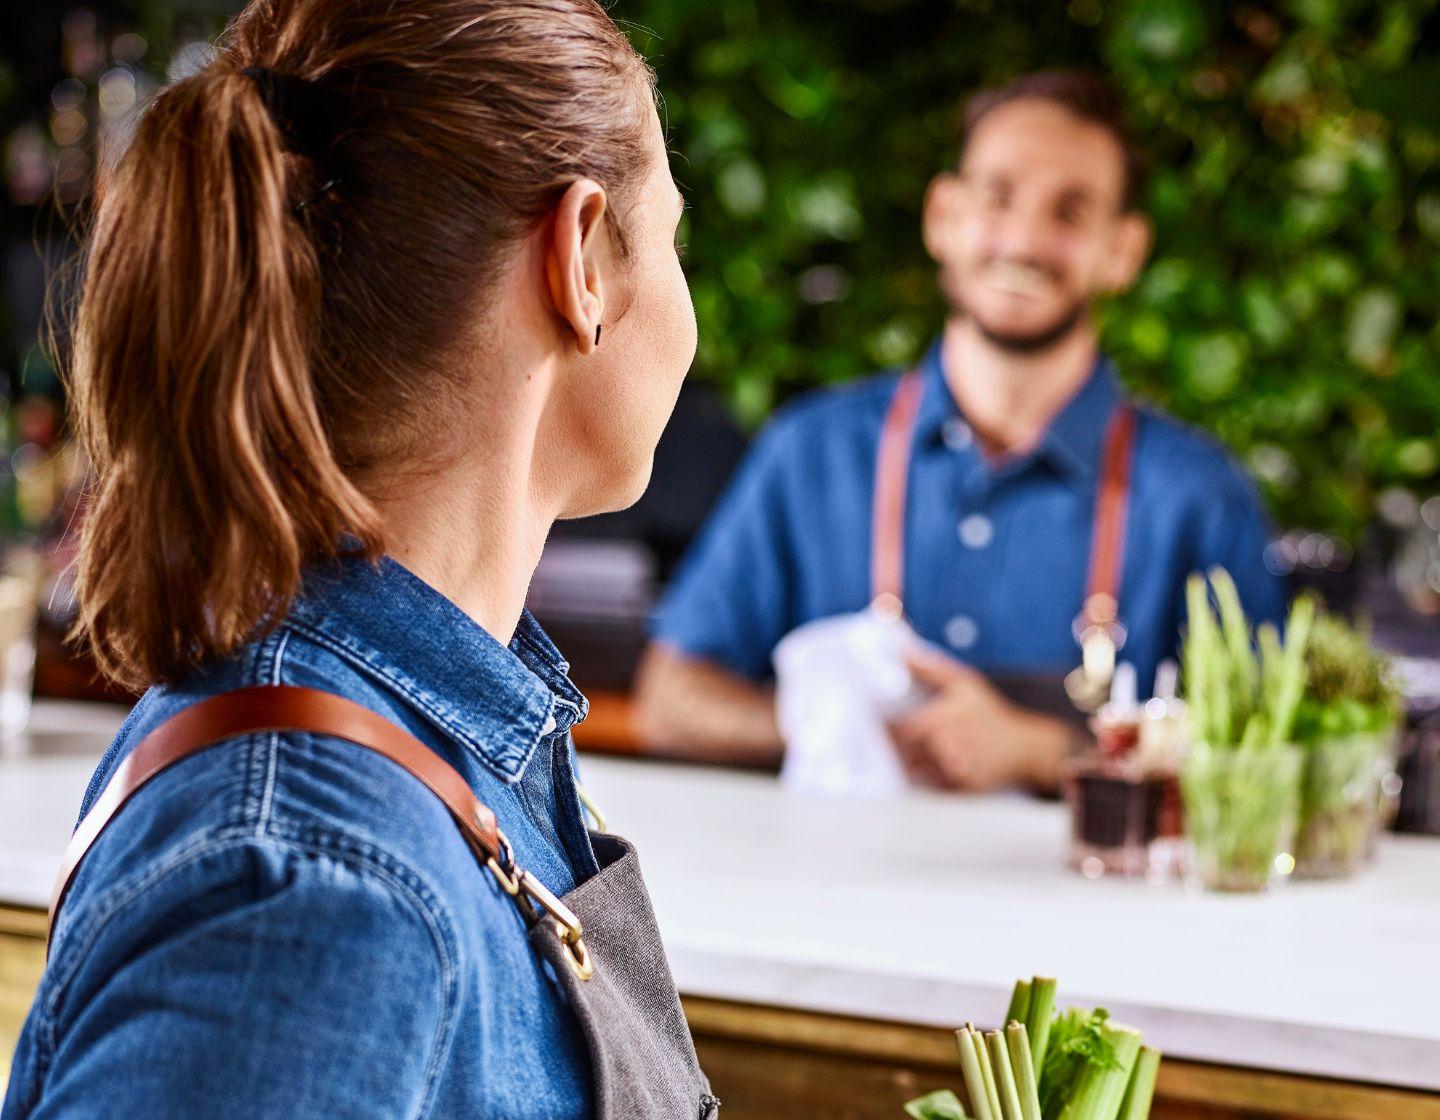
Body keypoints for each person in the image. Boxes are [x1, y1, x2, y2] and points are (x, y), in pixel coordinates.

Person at [2, 2, 712, 1118]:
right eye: (673, 238)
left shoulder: (430, 728)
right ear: (579, 259)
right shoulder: (306, 878)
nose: (690, 312)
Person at [637, 71, 1284, 791]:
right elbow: (670, 699)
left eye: (1071, 211)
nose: (1024, 239)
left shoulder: (1199, 497)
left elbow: (1262, 762)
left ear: (1123, 251)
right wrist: (827, 720)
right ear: (943, 215)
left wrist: (1044, 752)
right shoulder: (812, 452)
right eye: (997, 196)